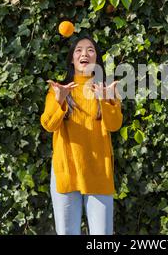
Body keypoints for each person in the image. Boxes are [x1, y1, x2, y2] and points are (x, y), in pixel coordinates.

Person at [40, 35, 122, 235]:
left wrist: (106, 100)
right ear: (71, 59)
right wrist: (60, 100)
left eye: (90, 50)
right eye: (78, 50)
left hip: (99, 173)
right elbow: (49, 125)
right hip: (66, 171)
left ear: (96, 59)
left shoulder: (106, 90)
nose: (84, 53)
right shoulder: (58, 90)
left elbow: (114, 125)